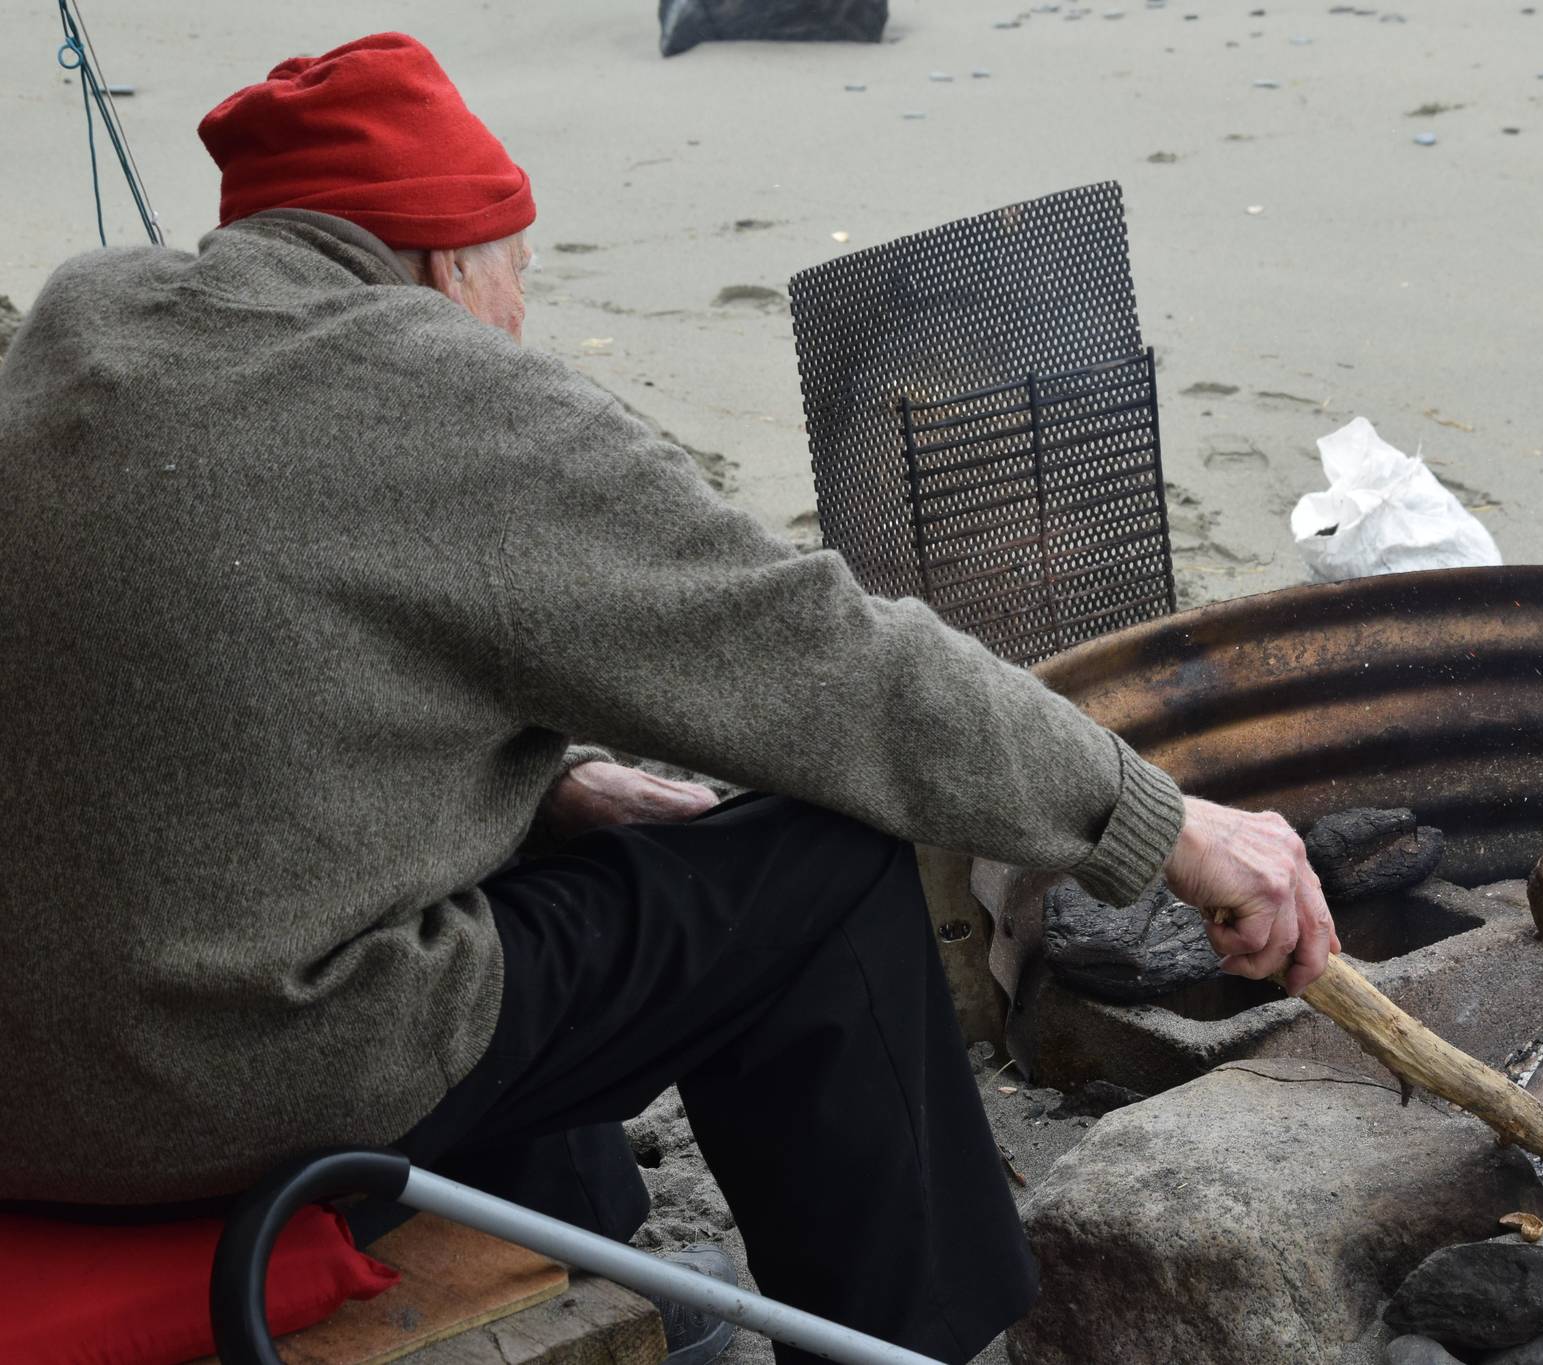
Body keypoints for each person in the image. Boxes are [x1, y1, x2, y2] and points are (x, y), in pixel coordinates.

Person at [0, 32, 1335, 1365]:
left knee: (552, 850)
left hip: (29, 1091)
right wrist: (1165, 825)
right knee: (825, 869)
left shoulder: (83, 324)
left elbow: (226, 706)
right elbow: (824, 658)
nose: (520, 314)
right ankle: (914, 1345)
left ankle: (586, 1264)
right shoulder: (438, 394)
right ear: (449, 262)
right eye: (519, 272)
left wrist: (552, 781)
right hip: (212, 1095)